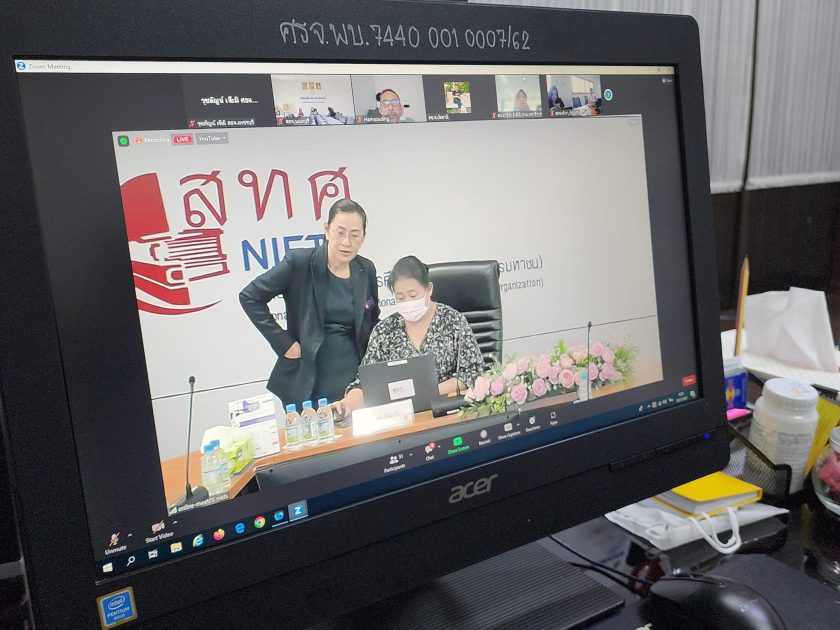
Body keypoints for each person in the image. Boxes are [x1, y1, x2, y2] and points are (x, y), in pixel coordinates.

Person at [239, 199, 380, 406]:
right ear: (327, 230)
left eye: (355, 235)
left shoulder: (365, 269)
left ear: (363, 238)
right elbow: (250, 297)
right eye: (340, 232)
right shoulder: (300, 263)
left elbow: (372, 320)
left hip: (354, 382)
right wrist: (284, 343)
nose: (346, 242)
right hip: (309, 380)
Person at [338, 255, 484, 414]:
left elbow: (472, 373)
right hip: (400, 417)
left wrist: (428, 392)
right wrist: (346, 404)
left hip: (446, 411)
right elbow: (364, 384)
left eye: (413, 295)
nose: (407, 302)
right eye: (400, 297)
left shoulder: (453, 321)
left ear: (429, 289)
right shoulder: (384, 331)